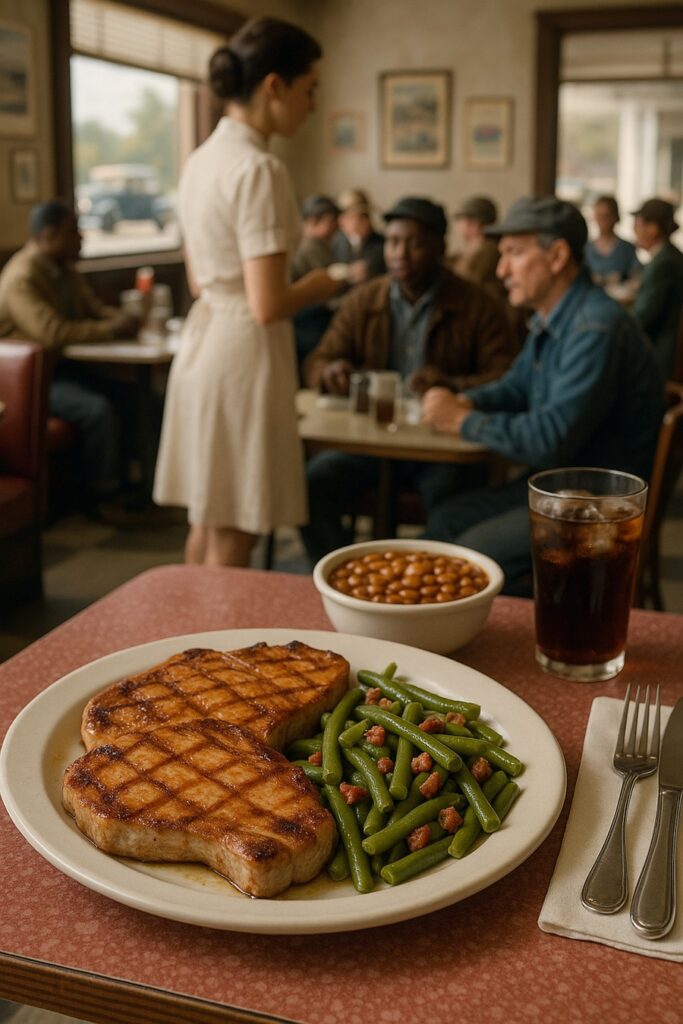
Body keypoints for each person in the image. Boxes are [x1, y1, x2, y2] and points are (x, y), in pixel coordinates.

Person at [152, 17, 340, 567]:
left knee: (209, 515)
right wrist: (321, 284)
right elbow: (268, 303)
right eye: (309, 90)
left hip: (205, 336)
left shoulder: (201, 160)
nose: (312, 105)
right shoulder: (259, 168)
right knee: (238, 528)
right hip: (243, 351)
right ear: (274, 86)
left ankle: (189, 645)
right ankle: (212, 652)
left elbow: (198, 279)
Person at [421, 196, 663, 594]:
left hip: (598, 507)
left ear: (557, 257)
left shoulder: (593, 329)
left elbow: (551, 439)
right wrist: (467, 400)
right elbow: (516, 386)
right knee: (447, 517)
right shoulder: (555, 316)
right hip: (559, 489)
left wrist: (462, 421)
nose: (501, 270)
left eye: (513, 254)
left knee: (468, 553)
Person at [300, 196, 516, 564]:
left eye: (414, 243)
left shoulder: (476, 306)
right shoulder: (366, 299)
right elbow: (318, 359)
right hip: (368, 444)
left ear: (440, 248)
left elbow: (507, 377)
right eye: (393, 242)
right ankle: (350, 579)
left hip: (440, 446)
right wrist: (329, 371)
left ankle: (421, 586)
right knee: (310, 487)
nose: (400, 253)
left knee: (451, 505)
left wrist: (451, 383)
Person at [0, 199, 140, 505]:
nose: (81, 238)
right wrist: (112, 329)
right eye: (73, 231)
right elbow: (52, 333)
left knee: (135, 395)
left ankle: (139, 485)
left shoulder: (66, 270)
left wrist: (118, 318)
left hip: (68, 369)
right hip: (33, 383)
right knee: (96, 410)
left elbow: (93, 309)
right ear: (48, 236)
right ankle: (104, 496)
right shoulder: (22, 278)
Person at [631, 197, 683, 379]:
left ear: (652, 229)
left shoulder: (664, 263)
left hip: (659, 356)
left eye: (637, 224)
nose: (634, 230)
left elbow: (642, 318)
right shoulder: (670, 256)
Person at [585, 194, 641, 286]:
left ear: (615, 217)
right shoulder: (586, 249)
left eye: (606, 216)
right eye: (599, 216)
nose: (602, 221)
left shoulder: (626, 248)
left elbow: (636, 277)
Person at [331, 188, 385, 281]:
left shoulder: (380, 243)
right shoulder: (338, 241)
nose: (356, 222)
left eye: (362, 217)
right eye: (348, 217)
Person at [450, 196, 502, 294]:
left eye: (461, 220)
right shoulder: (478, 247)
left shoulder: (488, 250)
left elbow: (462, 282)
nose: (458, 226)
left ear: (474, 223)